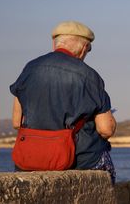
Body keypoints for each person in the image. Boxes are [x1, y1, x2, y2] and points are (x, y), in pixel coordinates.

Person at [10, 21, 117, 183]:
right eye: (88, 49)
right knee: (107, 171)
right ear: (83, 47)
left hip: (32, 159)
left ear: (55, 44)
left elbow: (17, 122)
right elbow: (106, 129)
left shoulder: (30, 68)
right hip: (80, 159)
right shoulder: (89, 76)